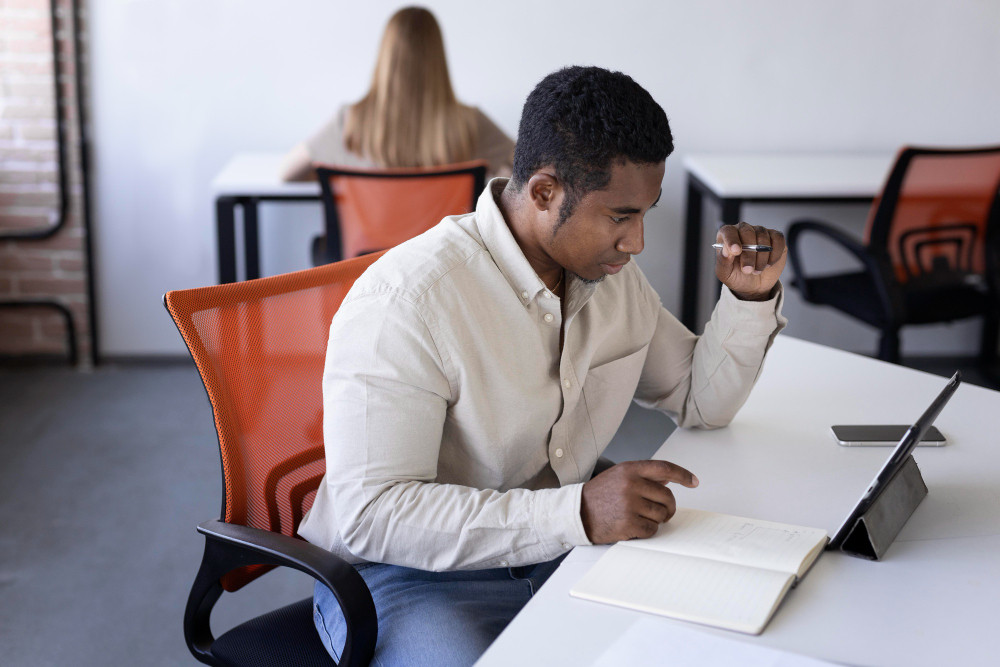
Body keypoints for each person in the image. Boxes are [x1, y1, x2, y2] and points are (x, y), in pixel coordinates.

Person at [298, 65, 788, 665]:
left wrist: (748, 298)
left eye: (644, 214)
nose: (637, 243)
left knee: (708, 642)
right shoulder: (408, 303)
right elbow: (372, 516)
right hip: (409, 575)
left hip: (560, 546)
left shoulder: (610, 280)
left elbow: (697, 400)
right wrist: (575, 511)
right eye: (619, 216)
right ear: (544, 192)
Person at [280, 6, 514, 182]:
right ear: (438, 61)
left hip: (371, 249)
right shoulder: (469, 123)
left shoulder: (350, 121)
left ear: (386, 59)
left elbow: (288, 173)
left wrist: (336, 177)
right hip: (443, 249)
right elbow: (529, 166)